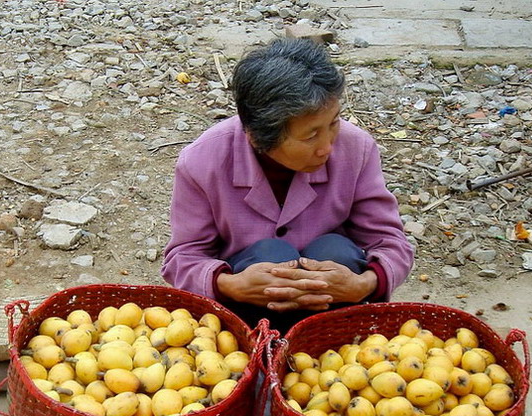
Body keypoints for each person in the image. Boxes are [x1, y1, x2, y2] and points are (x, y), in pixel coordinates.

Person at [161, 38, 414, 334]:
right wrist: (229, 284)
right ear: (258, 138)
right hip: (251, 307)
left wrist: (364, 283)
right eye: (310, 136)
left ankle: (330, 349)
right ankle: (260, 354)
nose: (327, 147)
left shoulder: (355, 148)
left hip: (332, 302)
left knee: (336, 251)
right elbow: (183, 257)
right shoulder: (202, 162)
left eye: (333, 123)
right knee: (272, 256)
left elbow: (391, 242)